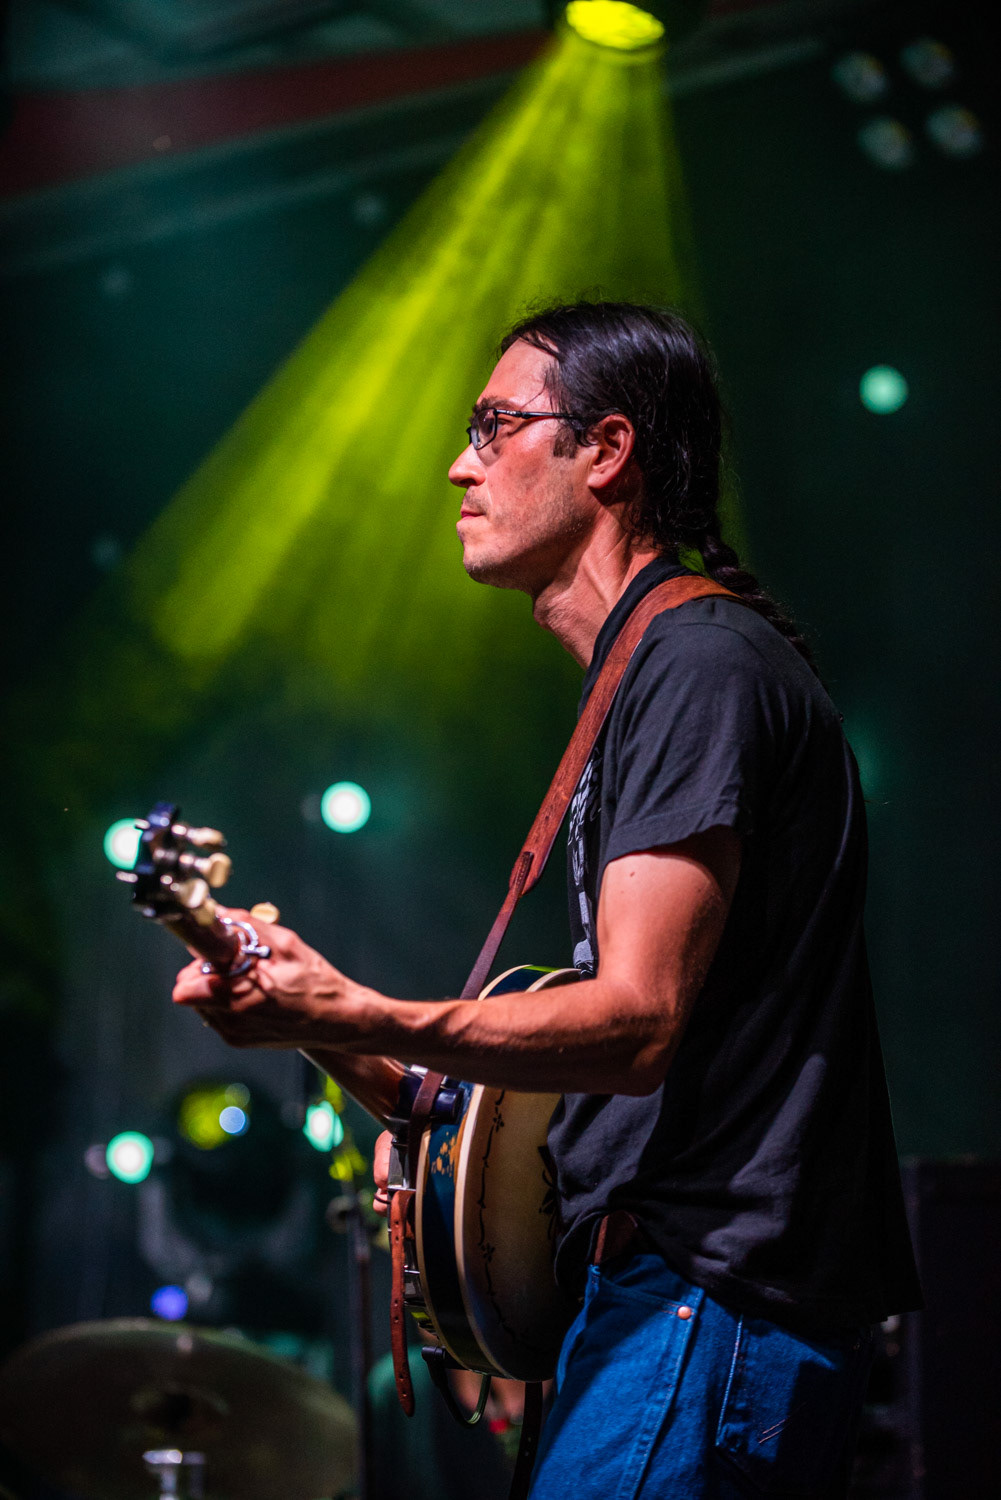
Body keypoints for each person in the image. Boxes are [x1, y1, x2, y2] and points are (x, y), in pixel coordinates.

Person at [173, 302, 921, 1497]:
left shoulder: (696, 664)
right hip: (664, 1305)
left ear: (606, 450)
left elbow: (633, 1024)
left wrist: (356, 1009)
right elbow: (536, 1084)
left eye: (493, 426)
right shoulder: (649, 674)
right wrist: (311, 1012)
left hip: (705, 1298)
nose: (458, 465)